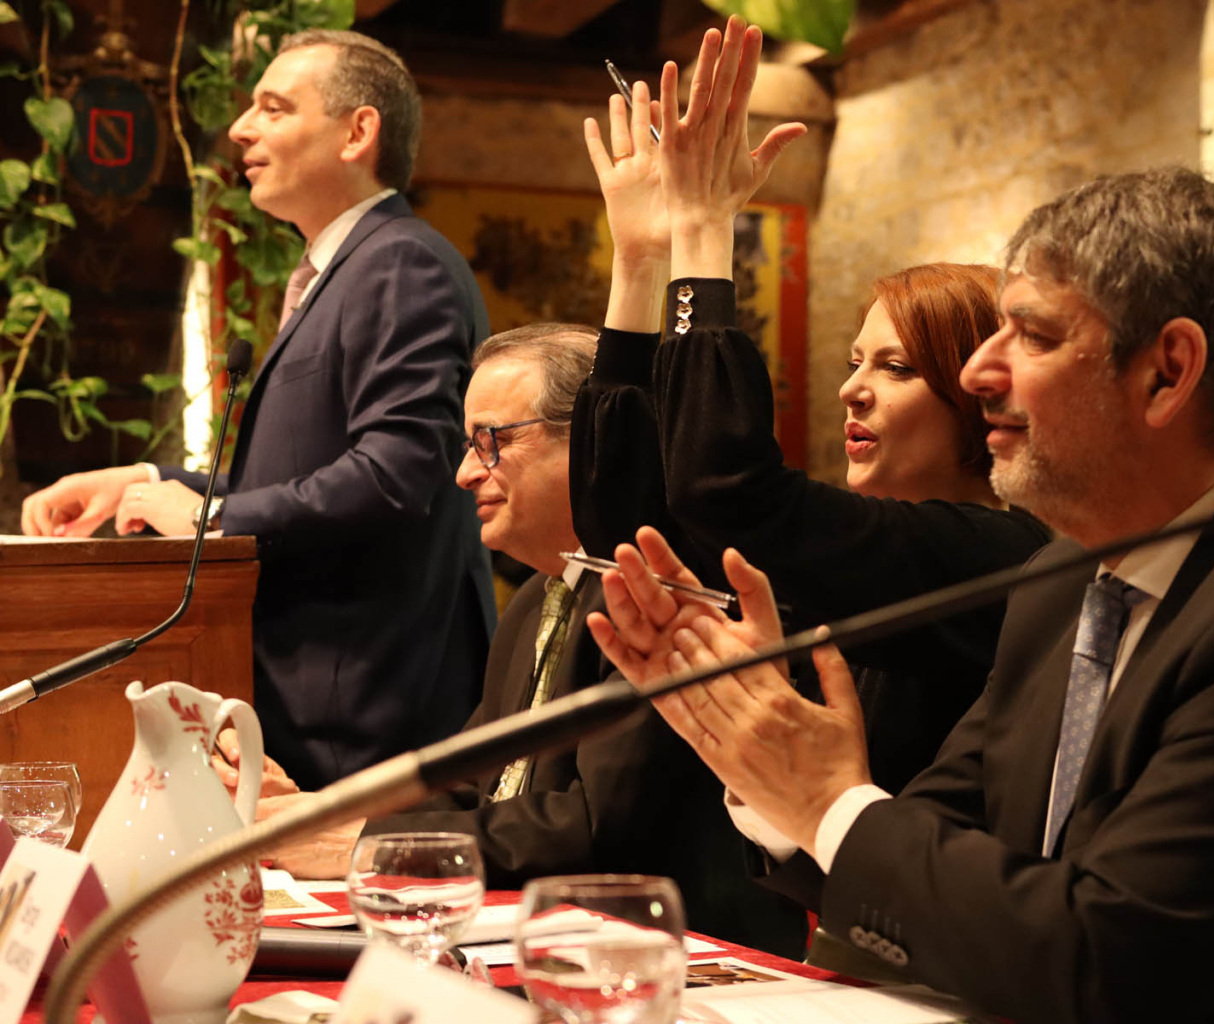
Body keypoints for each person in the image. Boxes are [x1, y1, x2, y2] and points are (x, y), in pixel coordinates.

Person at [590, 167, 1214, 1022]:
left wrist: (827, 800)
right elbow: (923, 864)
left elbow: (1108, 959)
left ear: (1166, 373)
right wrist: (770, 765)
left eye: (1031, 335)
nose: (981, 370)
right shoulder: (1058, 588)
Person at [570, 18, 1050, 792]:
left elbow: (725, 492)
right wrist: (642, 258)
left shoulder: (1000, 554)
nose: (851, 389)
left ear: (982, 393)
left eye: (896, 368)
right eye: (855, 362)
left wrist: (704, 227)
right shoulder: (871, 546)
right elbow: (625, 529)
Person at [225, 324, 807, 958]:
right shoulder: (535, 597)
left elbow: (591, 829)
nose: (463, 474)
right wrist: (323, 813)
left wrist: (367, 842)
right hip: (548, 936)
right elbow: (474, 784)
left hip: (682, 957)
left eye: (491, 442)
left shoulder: (659, 594)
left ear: (594, 436)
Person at [20, 30, 495, 789]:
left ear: (357, 133)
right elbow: (299, 475)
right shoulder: (342, 267)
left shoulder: (400, 261)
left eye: (273, 108)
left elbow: (397, 471)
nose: (241, 129)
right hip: (320, 700)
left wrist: (210, 518)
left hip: (370, 705)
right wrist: (145, 482)